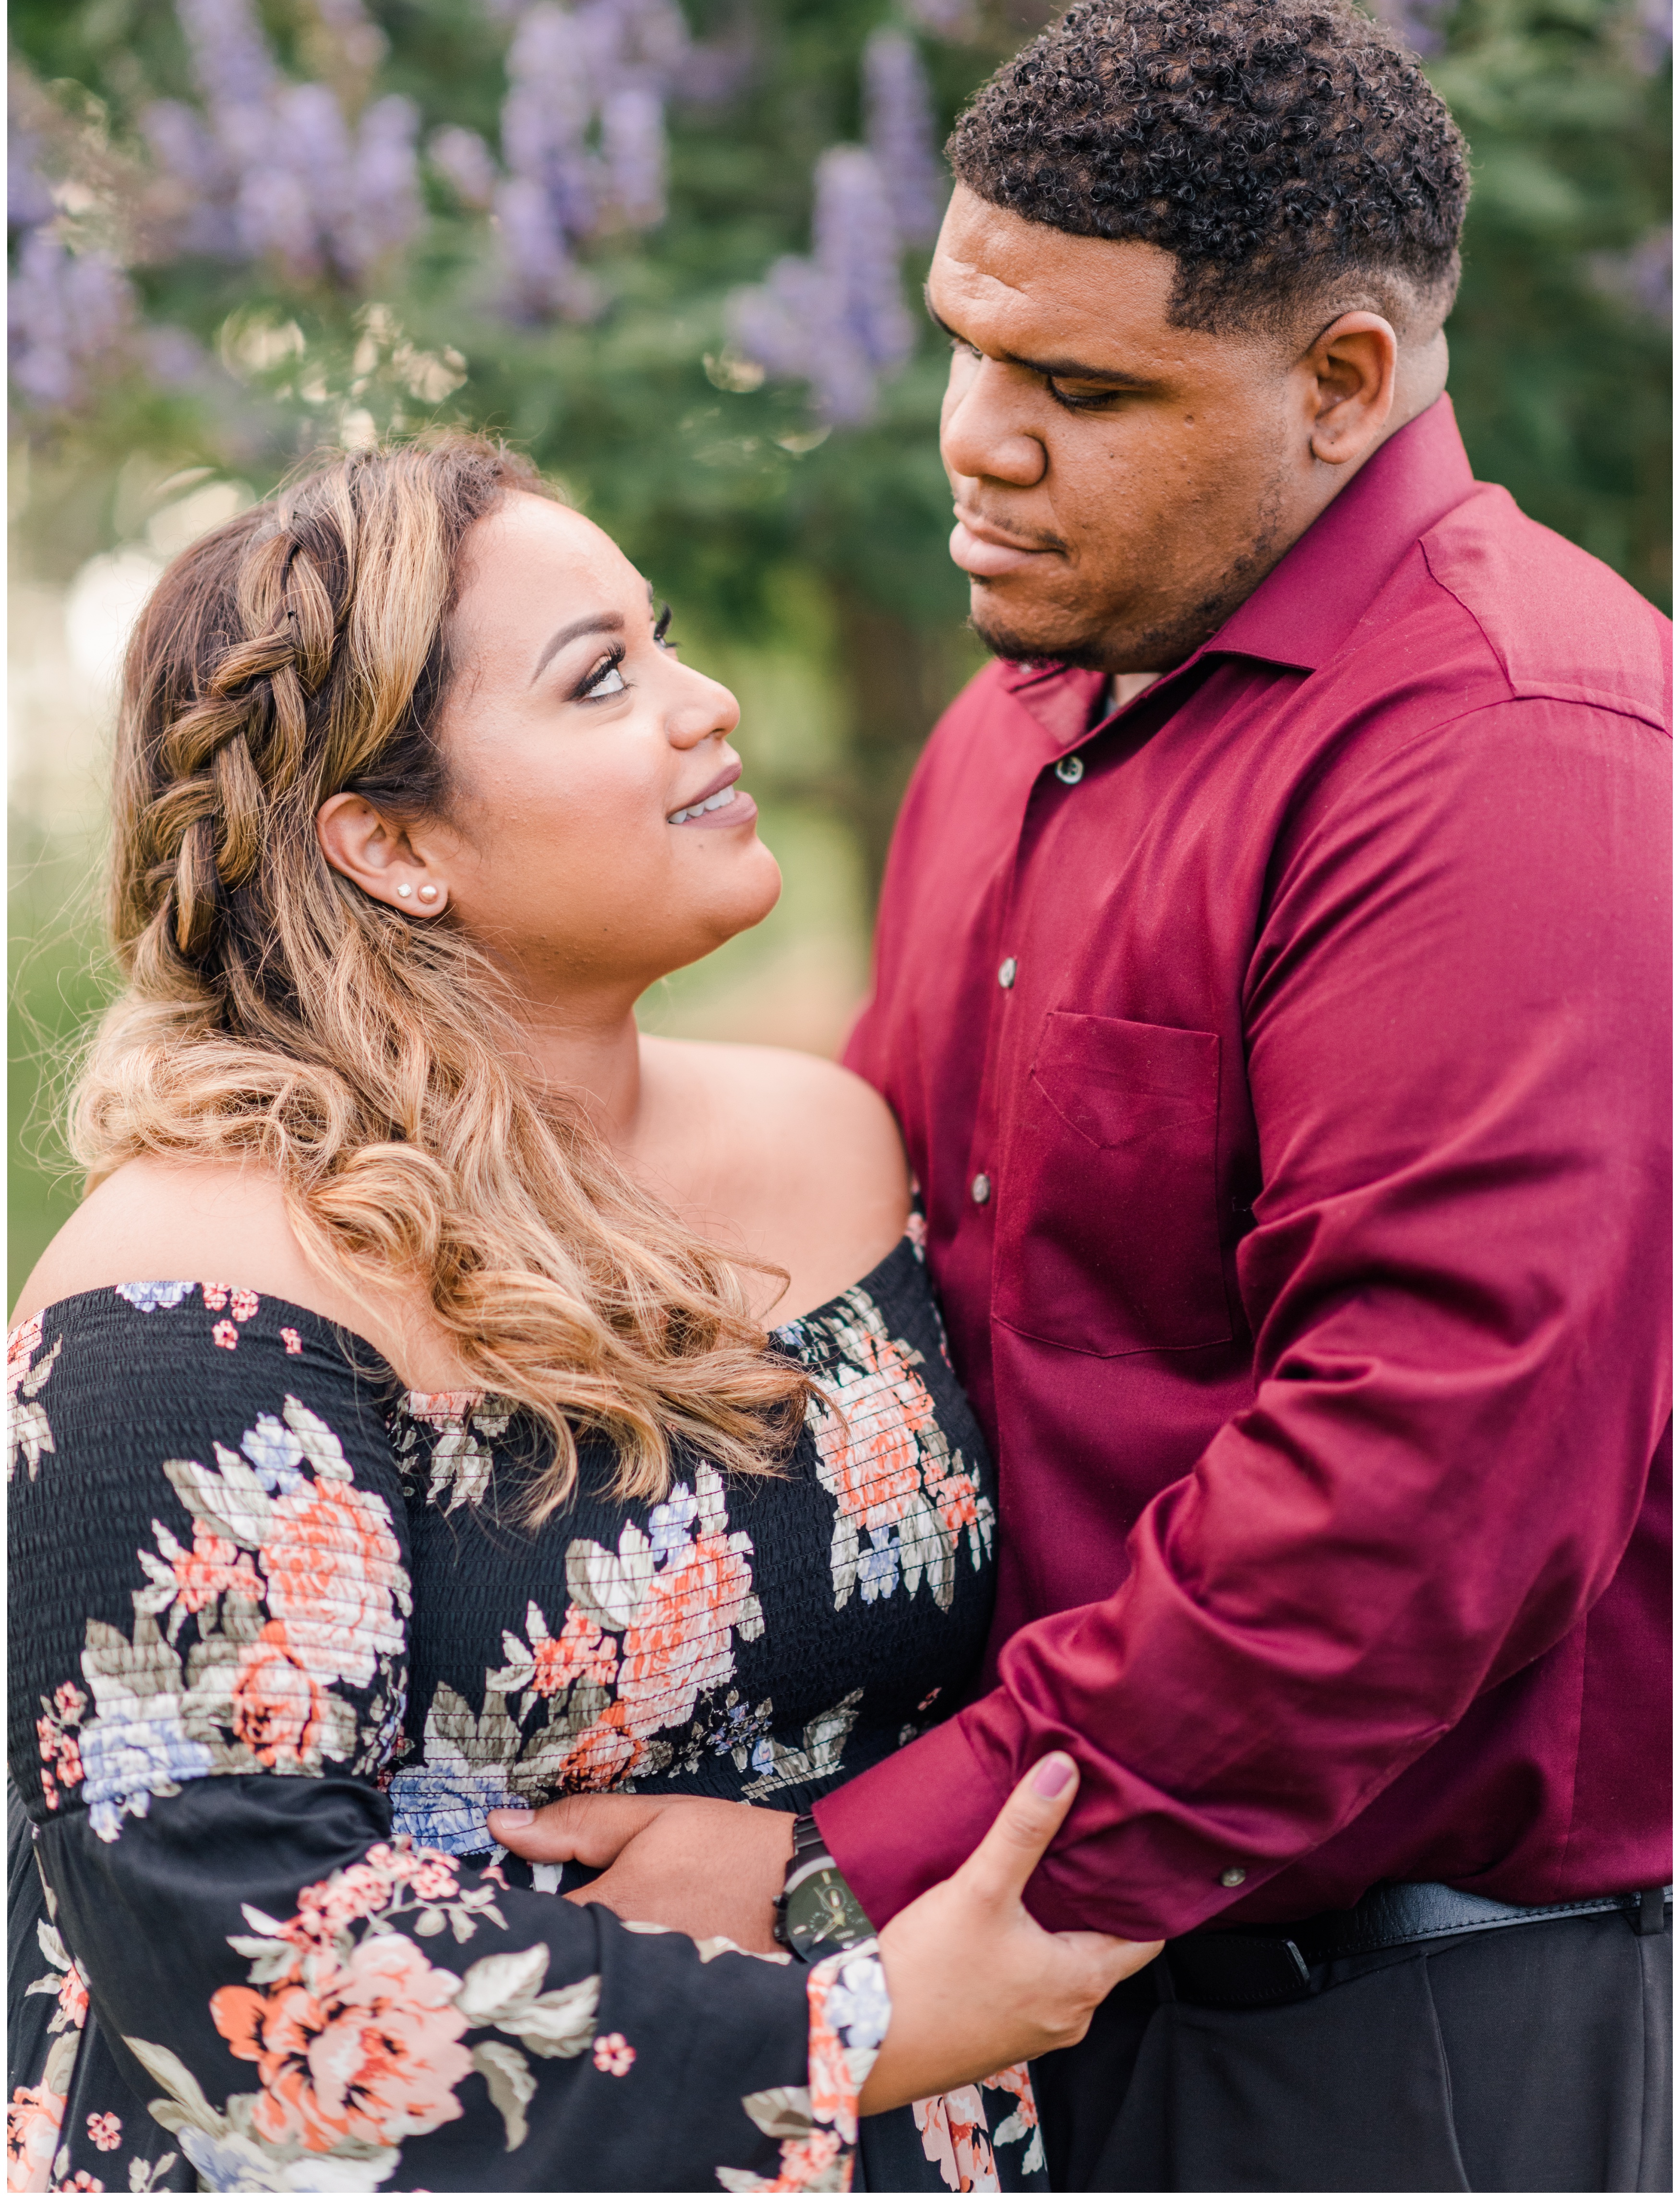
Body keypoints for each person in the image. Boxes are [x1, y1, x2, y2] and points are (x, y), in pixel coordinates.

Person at [508, 0, 1672, 2192]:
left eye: (1076, 381)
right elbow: (875, 1313)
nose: (972, 432)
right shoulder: (1021, 714)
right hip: (1014, 1997)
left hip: (1379, 2031)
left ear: (1340, 379)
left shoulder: (1511, 755)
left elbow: (1402, 1508)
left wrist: (826, 1872)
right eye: (961, 338)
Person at [6, 436, 1161, 2196]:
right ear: (388, 844)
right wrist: (853, 2032)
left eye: (666, 637)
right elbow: (237, 1940)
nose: (704, 703)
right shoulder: (189, 1289)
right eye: (601, 677)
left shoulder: (833, 1141)